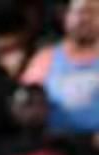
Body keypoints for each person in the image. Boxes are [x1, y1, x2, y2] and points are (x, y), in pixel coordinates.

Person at [21, 0, 99, 135]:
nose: (84, 19)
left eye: (92, 12)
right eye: (79, 12)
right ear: (66, 17)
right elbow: (26, 99)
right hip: (57, 140)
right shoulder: (46, 58)